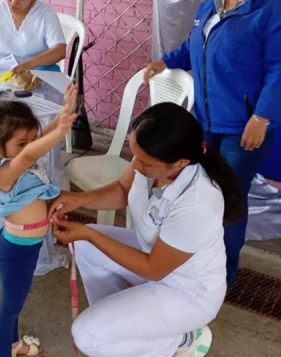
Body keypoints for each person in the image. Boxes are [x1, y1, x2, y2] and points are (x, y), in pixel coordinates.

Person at [143, 0, 281, 286]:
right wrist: (165, 63)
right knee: (199, 194)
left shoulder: (275, 13)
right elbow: (194, 46)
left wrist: (261, 118)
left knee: (228, 200)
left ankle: (222, 276)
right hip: (205, 122)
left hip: (242, 126)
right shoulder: (211, 5)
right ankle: (194, 261)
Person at [48, 102, 243, 357]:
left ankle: (182, 340)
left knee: (88, 336)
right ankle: (131, 329)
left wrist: (89, 232)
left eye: (145, 163)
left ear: (181, 162)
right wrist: (79, 199)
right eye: (134, 155)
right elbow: (122, 190)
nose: (136, 166)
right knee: (85, 246)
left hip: (187, 292)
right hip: (155, 261)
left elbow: (153, 268)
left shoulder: (198, 203)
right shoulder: (153, 161)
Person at [0, 85, 77, 357]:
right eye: (22, 143)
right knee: (10, 307)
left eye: (32, 139)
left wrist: (64, 113)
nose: (31, 146)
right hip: (17, 251)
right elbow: (30, 153)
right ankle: (4, 352)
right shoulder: (5, 173)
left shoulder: (19, 158)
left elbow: (34, 145)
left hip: (25, 247)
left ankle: (12, 345)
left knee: (13, 305)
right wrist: (60, 132)